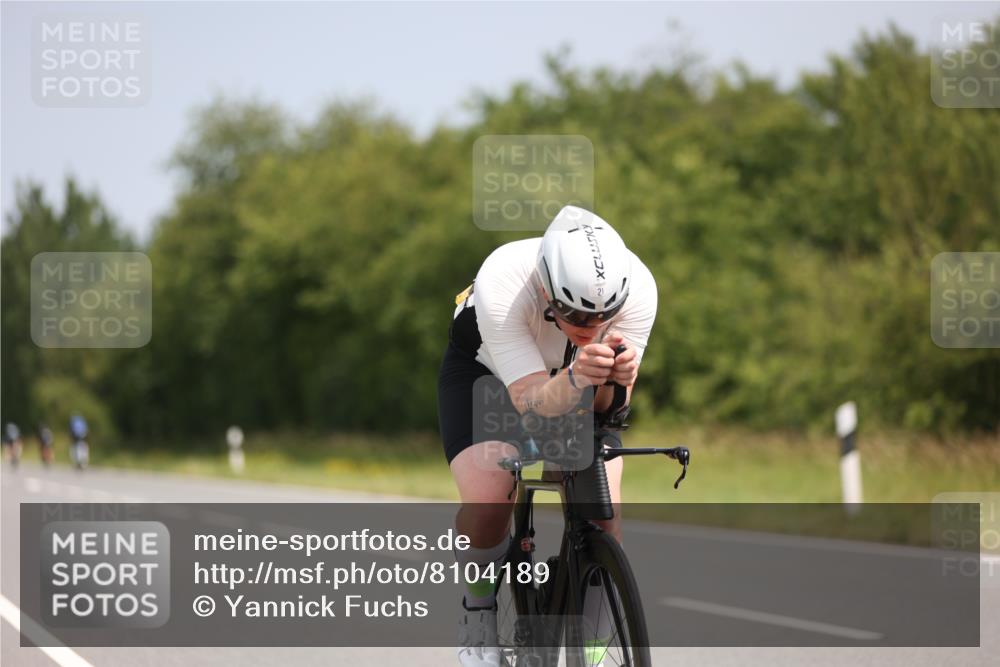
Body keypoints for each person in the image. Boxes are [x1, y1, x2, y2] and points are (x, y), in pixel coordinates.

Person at [438, 206, 657, 666]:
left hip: (570, 378)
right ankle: (478, 609)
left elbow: (609, 410)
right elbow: (530, 402)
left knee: (604, 512)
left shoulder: (640, 290)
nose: (590, 327)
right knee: (489, 499)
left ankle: (594, 648)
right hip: (491, 377)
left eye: (603, 317)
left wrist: (615, 382)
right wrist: (578, 377)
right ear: (545, 289)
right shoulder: (504, 278)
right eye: (574, 313)